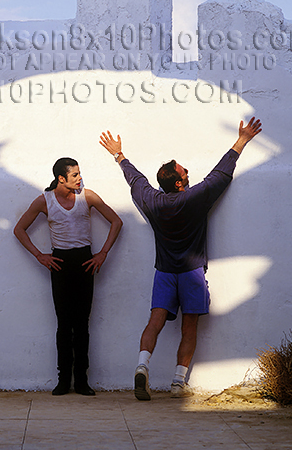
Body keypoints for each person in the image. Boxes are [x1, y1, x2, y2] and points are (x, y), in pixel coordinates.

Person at [99, 117, 262, 400]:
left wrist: (119, 155)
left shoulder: (152, 200)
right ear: (179, 182)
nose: (188, 172)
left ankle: (141, 366)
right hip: (192, 274)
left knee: (155, 322)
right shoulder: (193, 199)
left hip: (164, 272)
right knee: (189, 327)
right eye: (184, 172)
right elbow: (220, 174)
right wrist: (242, 140)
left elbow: (135, 180)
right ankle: (177, 382)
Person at [14, 157, 123, 396]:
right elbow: (19, 230)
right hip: (60, 264)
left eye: (79, 173)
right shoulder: (45, 200)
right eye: (74, 175)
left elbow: (116, 221)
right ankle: (64, 380)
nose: (79, 178)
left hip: (85, 262)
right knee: (64, 324)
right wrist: (39, 255)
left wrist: (102, 253)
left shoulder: (88, 196)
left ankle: (82, 381)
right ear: (61, 179)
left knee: (82, 324)